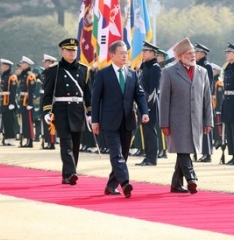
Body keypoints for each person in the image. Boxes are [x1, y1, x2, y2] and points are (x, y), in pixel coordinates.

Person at [91, 40, 149, 198]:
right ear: (112, 55)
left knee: (123, 155)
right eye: (122, 53)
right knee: (116, 154)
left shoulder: (132, 73)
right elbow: (95, 100)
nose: (125, 56)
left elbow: (140, 95)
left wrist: (144, 112)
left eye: (126, 53)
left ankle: (111, 186)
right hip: (109, 121)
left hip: (128, 120)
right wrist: (94, 121)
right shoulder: (103, 74)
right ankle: (125, 183)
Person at [159, 38, 213, 194]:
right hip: (177, 121)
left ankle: (176, 184)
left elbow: (207, 99)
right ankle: (191, 179)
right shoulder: (169, 72)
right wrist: (164, 123)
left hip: (195, 120)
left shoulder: (202, 72)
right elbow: (164, 101)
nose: (193, 56)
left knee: (184, 150)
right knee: (183, 150)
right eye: (189, 53)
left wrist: (208, 121)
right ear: (181, 56)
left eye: (193, 53)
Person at [42, 39, 92, 185]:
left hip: (77, 110)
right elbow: (47, 94)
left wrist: (90, 113)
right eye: (69, 50)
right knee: (66, 143)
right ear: (62, 52)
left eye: (74, 50)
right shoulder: (54, 70)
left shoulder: (84, 69)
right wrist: (47, 111)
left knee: (75, 144)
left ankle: (67, 175)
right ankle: (71, 173)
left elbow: (89, 95)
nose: (72, 53)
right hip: (61, 110)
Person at [136, 41, 161, 167]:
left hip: (150, 103)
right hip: (143, 103)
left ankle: (152, 158)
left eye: (146, 51)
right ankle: (147, 156)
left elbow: (153, 90)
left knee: (150, 131)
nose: (144, 54)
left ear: (152, 53)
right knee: (145, 131)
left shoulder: (155, 68)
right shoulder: (145, 66)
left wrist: (148, 107)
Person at [194, 42, 214, 162]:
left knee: (206, 125)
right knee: (199, 126)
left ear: (202, 53)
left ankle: (207, 153)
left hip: (204, 99)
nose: (194, 54)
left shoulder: (207, 66)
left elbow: (208, 85)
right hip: (197, 98)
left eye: (196, 52)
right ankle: (201, 151)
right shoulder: (196, 65)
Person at [18, 56, 37, 148]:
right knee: (24, 122)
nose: (21, 65)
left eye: (22, 63)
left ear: (27, 64)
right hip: (22, 101)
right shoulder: (23, 75)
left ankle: (30, 141)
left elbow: (31, 91)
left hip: (27, 102)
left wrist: (30, 103)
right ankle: (26, 139)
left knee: (29, 122)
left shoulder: (30, 76)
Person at [0, 58, 18, 146]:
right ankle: (7, 138)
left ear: (7, 66)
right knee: (5, 121)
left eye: (3, 65)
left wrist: (11, 103)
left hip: (9, 102)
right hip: (4, 101)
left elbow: (13, 91)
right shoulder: (4, 76)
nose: (1, 67)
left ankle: (11, 139)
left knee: (10, 121)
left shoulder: (12, 77)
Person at [42, 54, 58, 150]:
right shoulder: (45, 73)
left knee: (51, 122)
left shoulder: (54, 73)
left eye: (46, 62)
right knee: (46, 122)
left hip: (52, 100)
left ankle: (51, 142)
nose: (45, 64)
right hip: (45, 99)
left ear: (51, 63)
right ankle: (48, 141)